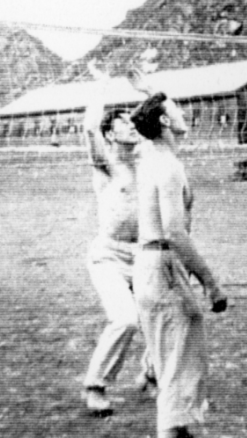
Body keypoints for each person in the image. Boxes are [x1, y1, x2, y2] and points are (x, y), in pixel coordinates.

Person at [129, 84, 227, 438]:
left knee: (170, 362)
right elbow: (174, 231)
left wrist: (147, 89)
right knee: (177, 367)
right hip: (163, 265)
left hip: (149, 265)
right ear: (166, 121)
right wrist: (211, 283)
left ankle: (179, 431)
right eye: (177, 108)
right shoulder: (166, 165)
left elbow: (145, 116)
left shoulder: (152, 156)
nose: (184, 112)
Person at [80, 61, 152, 415]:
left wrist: (147, 88)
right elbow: (89, 127)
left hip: (145, 255)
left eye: (131, 119)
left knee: (165, 312)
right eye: (122, 121)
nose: (130, 124)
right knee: (126, 319)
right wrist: (103, 87)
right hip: (109, 257)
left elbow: (174, 126)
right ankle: (96, 385)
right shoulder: (106, 164)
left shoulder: (148, 159)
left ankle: (151, 375)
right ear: (111, 135)